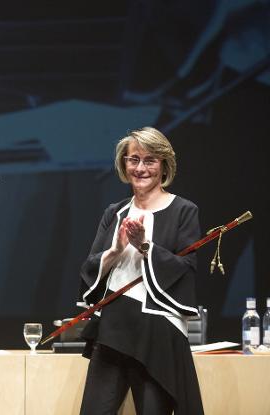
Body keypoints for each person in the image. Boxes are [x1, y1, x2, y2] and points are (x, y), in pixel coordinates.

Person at [77, 127, 204, 414]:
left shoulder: (184, 210)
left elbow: (186, 271)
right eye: (133, 159)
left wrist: (146, 246)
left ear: (164, 165)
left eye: (150, 160)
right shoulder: (115, 212)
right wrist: (116, 250)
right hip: (113, 327)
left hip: (157, 332)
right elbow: (89, 269)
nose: (140, 168)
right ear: (124, 164)